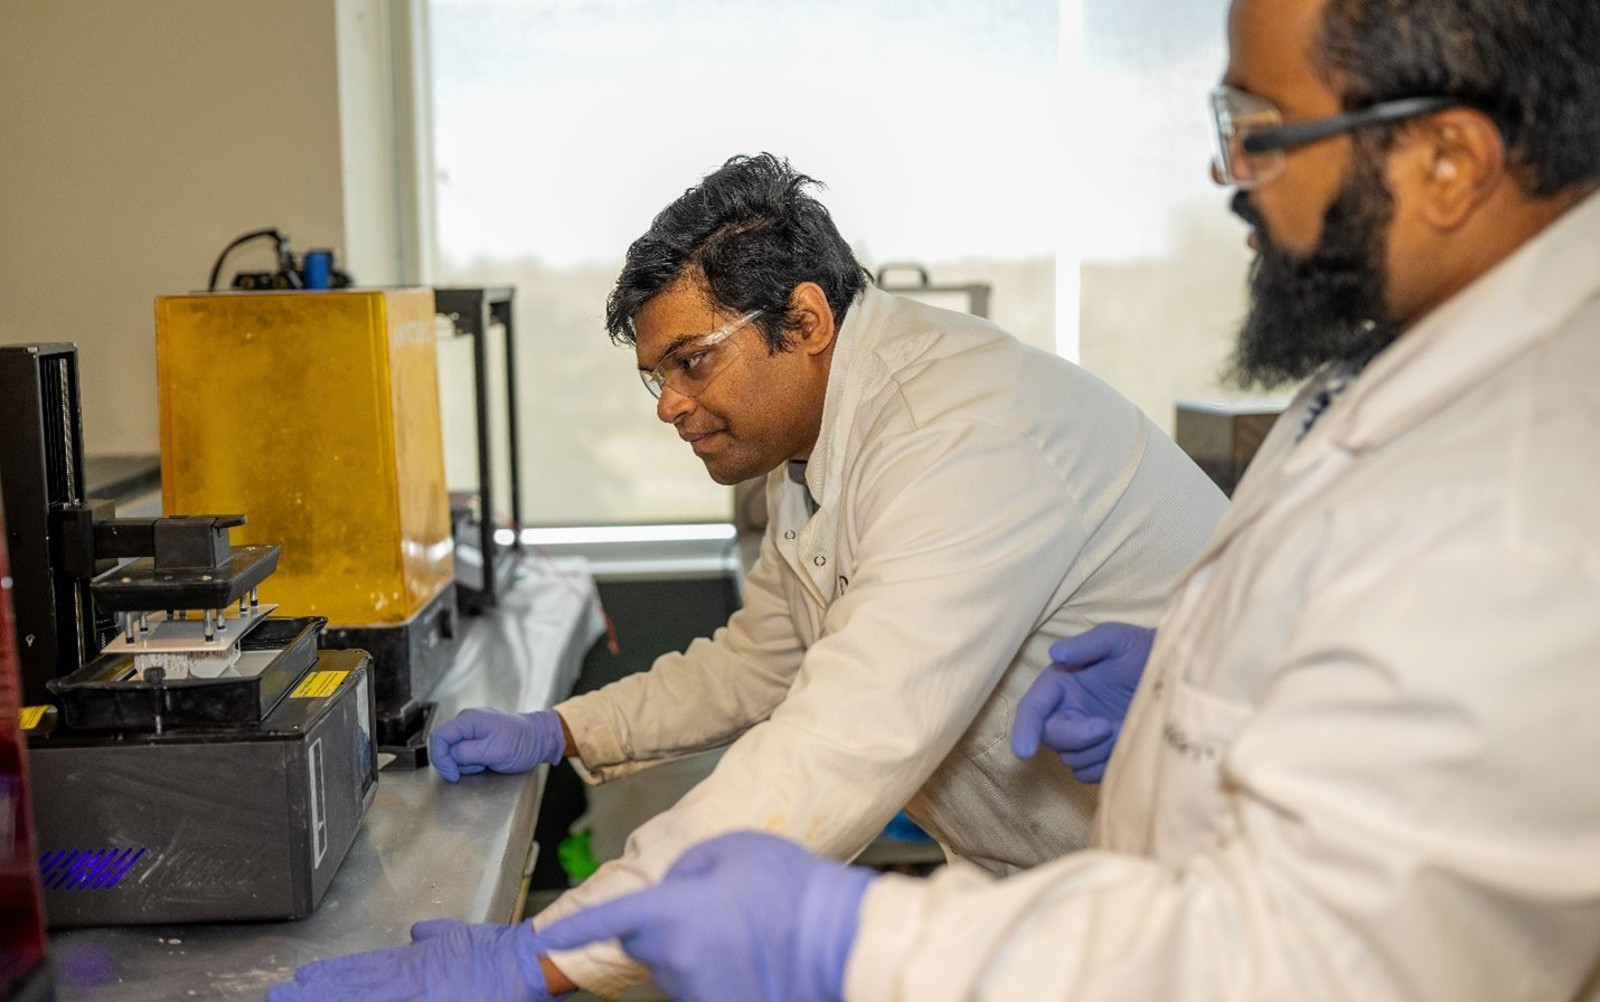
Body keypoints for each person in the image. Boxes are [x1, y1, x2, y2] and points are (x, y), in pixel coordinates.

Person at [526, 0, 1600, 999]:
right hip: (1086, 912)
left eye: (1258, 127)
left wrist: (564, 953)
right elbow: (771, 650)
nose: (1227, 174)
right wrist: (1198, 696)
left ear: (1450, 159)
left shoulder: (1524, 483)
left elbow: (1310, 955)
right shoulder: (1394, 376)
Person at [268, 155, 1226, 1001]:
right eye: (657, 376)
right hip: (1055, 899)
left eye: (691, 362)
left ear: (804, 318)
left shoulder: (961, 438)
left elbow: (833, 748)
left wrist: (542, 954)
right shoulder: (811, 446)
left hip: (1204, 913)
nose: (670, 407)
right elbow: (764, 659)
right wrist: (565, 730)